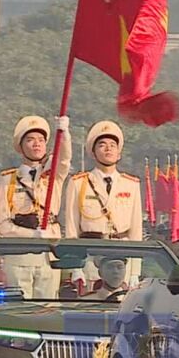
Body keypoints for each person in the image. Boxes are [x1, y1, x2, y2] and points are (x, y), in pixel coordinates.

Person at [63, 121, 143, 289]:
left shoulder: (131, 184)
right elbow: (72, 228)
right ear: (93, 153)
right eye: (102, 145)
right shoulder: (79, 183)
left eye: (113, 145)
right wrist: (76, 268)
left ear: (119, 153)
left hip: (122, 257)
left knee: (122, 304)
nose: (108, 149)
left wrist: (135, 271)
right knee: (92, 302)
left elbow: (136, 230)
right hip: (91, 258)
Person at [0, 115, 71, 298]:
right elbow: (2, 224)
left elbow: (64, 159)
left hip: (49, 253)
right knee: (19, 308)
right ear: (21, 146)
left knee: (48, 307)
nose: (37, 144)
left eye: (41, 140)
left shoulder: (53, 175)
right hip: (19, 255)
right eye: (30, 140)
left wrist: (64, 133)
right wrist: (32, 235)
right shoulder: (8, 180)